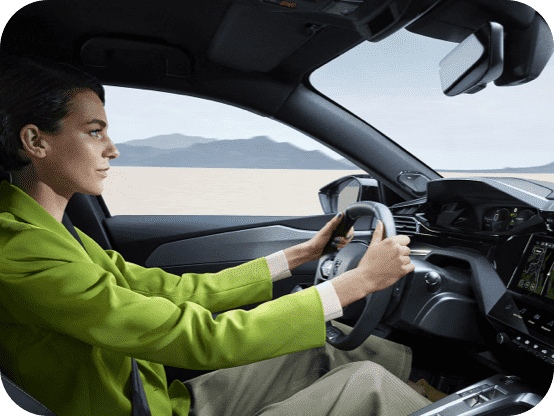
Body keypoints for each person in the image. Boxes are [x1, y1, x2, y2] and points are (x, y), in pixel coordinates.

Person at [0, 55, 432, 416]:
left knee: (321, 348)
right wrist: (359, 281)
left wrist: (300, 254)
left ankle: (435, 394)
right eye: (95, 131)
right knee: (368, 386)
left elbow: (176, 291)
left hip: (166, 402)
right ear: (36, 141)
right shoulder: (21, 250)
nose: (112, 148)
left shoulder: (56, 234)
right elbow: (198, 338)